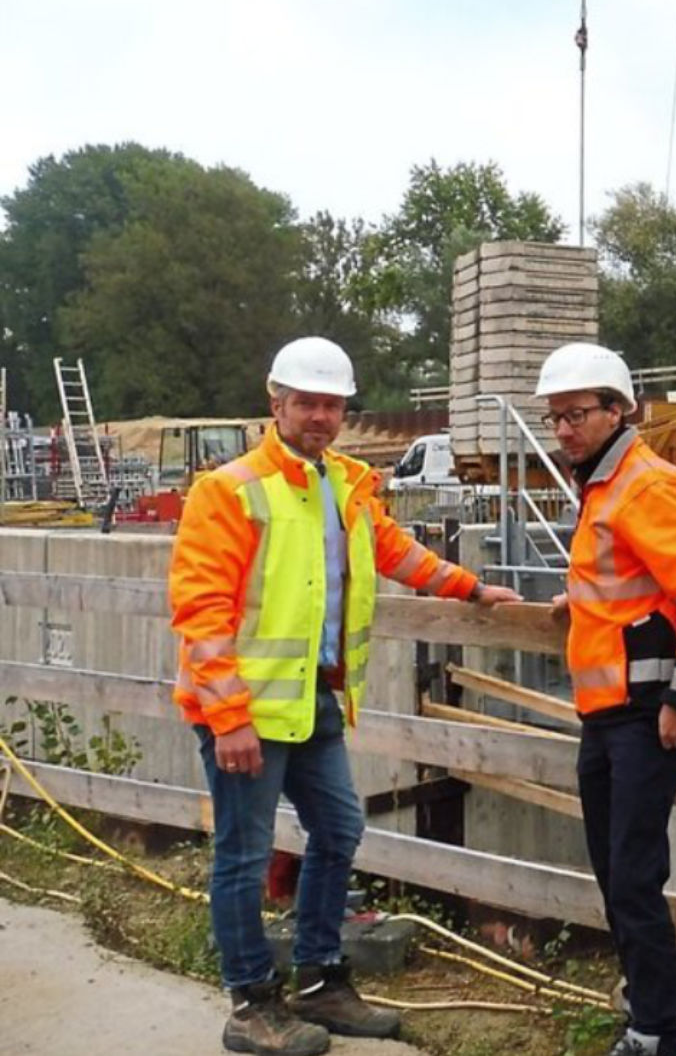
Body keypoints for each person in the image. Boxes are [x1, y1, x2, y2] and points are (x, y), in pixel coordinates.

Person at [169, 336, 521, 1055]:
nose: (322, 416)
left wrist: (472, 586)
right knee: (243, 855)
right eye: (308, 403)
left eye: (333, 405)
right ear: (277, 404)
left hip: (317, 703)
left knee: (338, 832)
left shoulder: (346, 485)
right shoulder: (229, 490)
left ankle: (320, 980)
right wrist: (228, 718)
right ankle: (251, 1003)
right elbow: (201, 611)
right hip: (248, 713)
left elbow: (393, 549)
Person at [535, 342, 676, 1056]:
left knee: (634, 878)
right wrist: (579, 603)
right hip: (606, 714)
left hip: (647, 719)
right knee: (614, 872)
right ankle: (644, 1014)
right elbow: (630, 586)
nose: (564, 429)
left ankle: (656, 1032)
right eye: (555, 417)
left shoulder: (642, 484)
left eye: (577, 414)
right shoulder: (602, 484)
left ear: (620, 411)